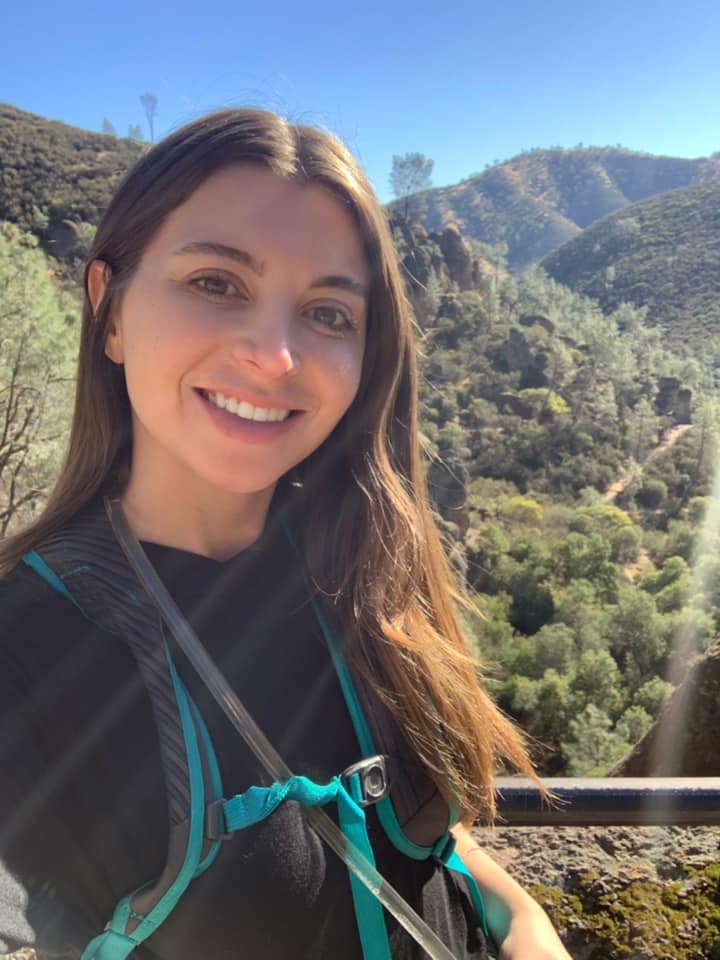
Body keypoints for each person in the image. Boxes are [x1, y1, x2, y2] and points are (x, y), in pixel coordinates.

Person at [0, 108, 571, 960]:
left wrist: (528, 926)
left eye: (328, 314)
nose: (276, 355)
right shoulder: (27, 645)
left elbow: (428, 848)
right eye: (216, 283)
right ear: (109, 311)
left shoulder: (361, 565)